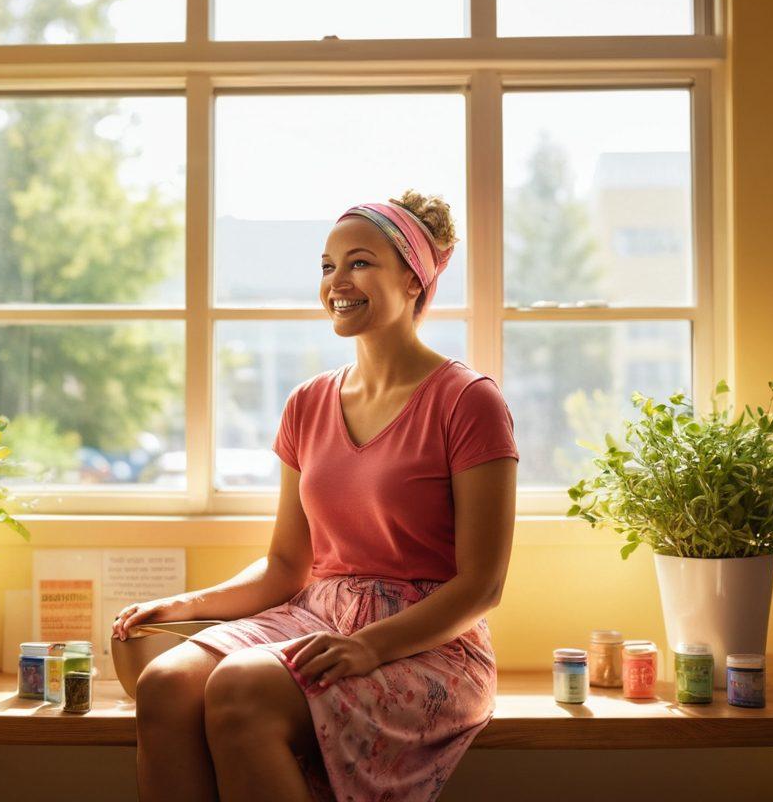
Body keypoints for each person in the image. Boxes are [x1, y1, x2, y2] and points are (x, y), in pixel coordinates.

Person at [115, 189, 519, 802]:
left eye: (360, 262)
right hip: (316, 616)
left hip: (425, 640)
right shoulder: (306, 403)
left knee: (242, 687)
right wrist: (185, 604)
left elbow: (481, 586)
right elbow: (286, 565)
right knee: (165, 682)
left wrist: (367, 647)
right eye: (328, 266)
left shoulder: (469, 402)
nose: (338, 281)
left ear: (415, 280)